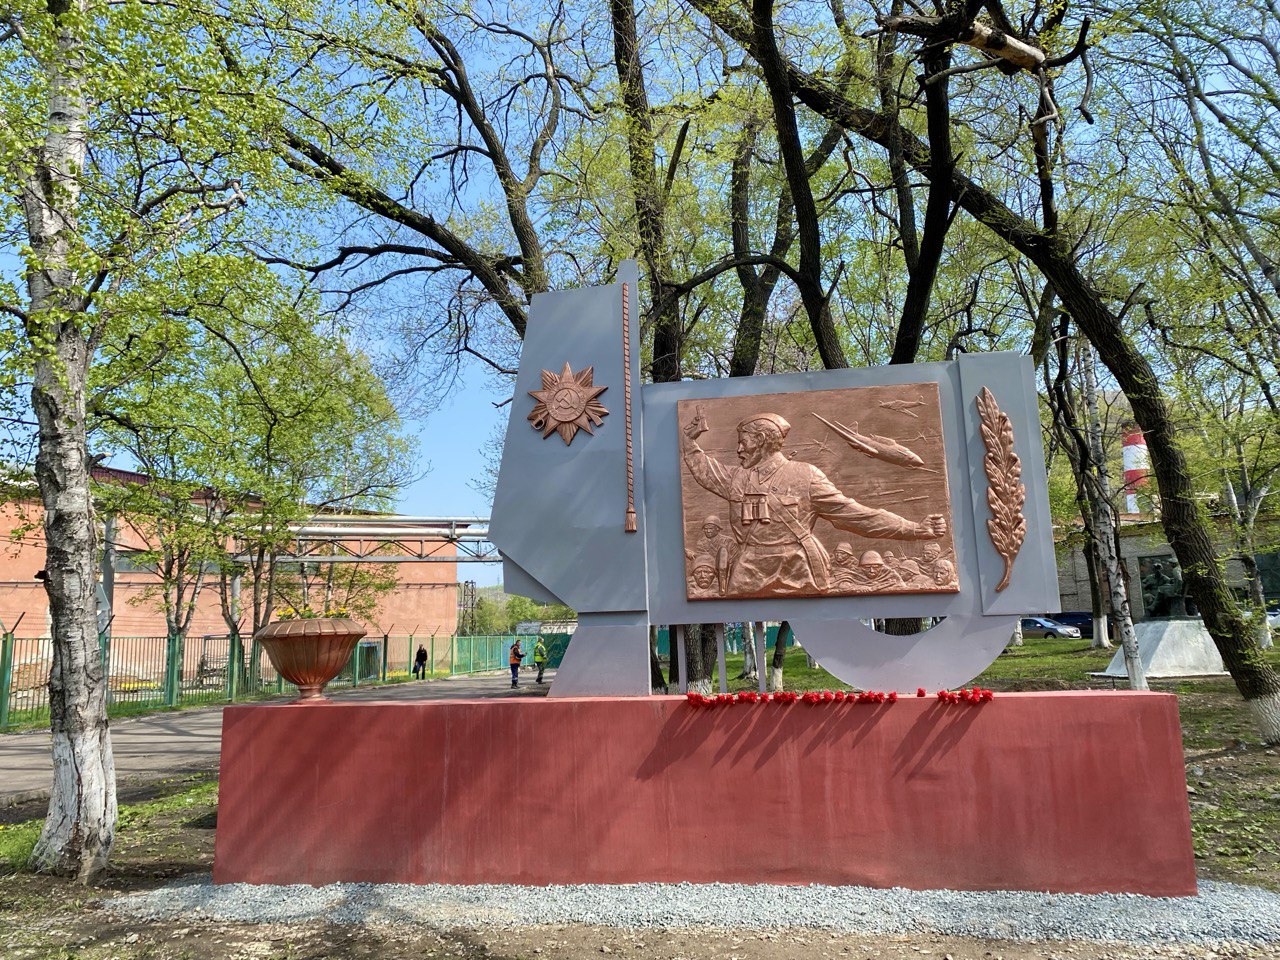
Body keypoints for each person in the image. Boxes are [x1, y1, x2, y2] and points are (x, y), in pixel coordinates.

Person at [682, 410, 947, 596]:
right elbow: (704, 470)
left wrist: (915, 529)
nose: (739, 450)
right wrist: (688, 439)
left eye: (743, 443)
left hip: (798, 570)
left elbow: (857, 516)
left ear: (761, 440)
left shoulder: (806, 476)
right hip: (748, 571)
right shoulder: (737, 478)